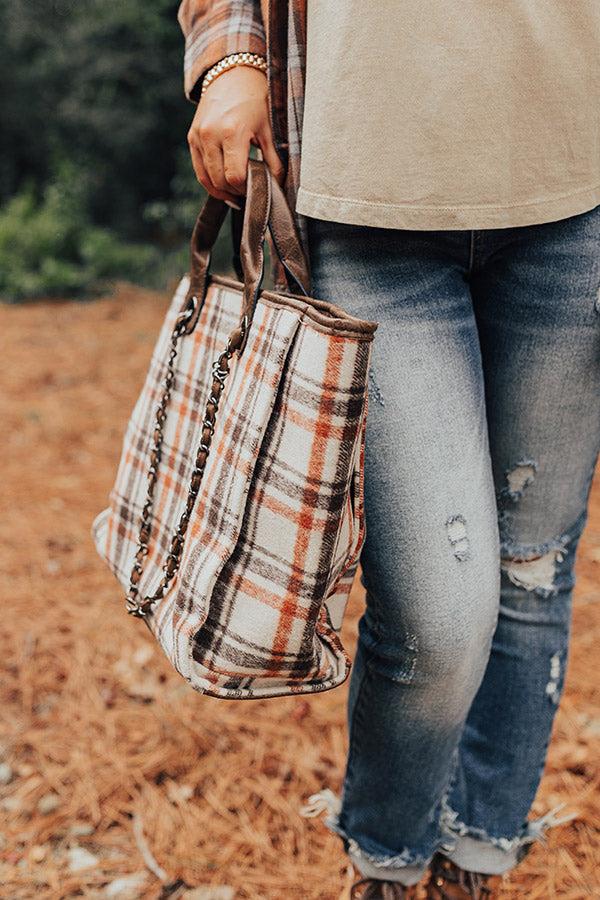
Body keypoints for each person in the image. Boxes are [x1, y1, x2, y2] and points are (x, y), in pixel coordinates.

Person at [177, 2, 600, 897]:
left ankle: (476, 858)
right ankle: (389, 860)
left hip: (578, 198)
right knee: (439, 615)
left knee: (530, 578)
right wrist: (230, 59)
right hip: (366, 198)